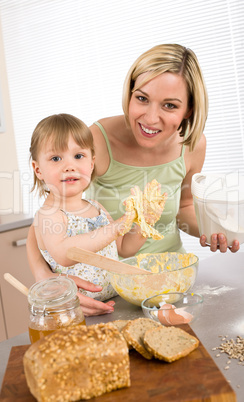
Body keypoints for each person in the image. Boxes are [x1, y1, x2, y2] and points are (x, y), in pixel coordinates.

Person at [27, 43, 240, 316]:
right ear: (129, 94)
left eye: (170, 105)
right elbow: (46, 218)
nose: (150, 118)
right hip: (114, 291)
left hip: (170, 281)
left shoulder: (193, 146)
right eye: (141, 99)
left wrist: (213, 232)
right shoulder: (96, 140)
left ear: (188, 110)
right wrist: (47, 279)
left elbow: (184, 208)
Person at [29, 113, 148, 305]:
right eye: (56, 158)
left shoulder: (96, 207)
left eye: (78, 156)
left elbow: (125, 248)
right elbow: (64, 253)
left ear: (91, 164)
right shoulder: (48, 215)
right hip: (73, 312)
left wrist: (142, 224)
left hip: (116, 302)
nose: (69, 166)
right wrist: (116, 227)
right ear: (38, 170)